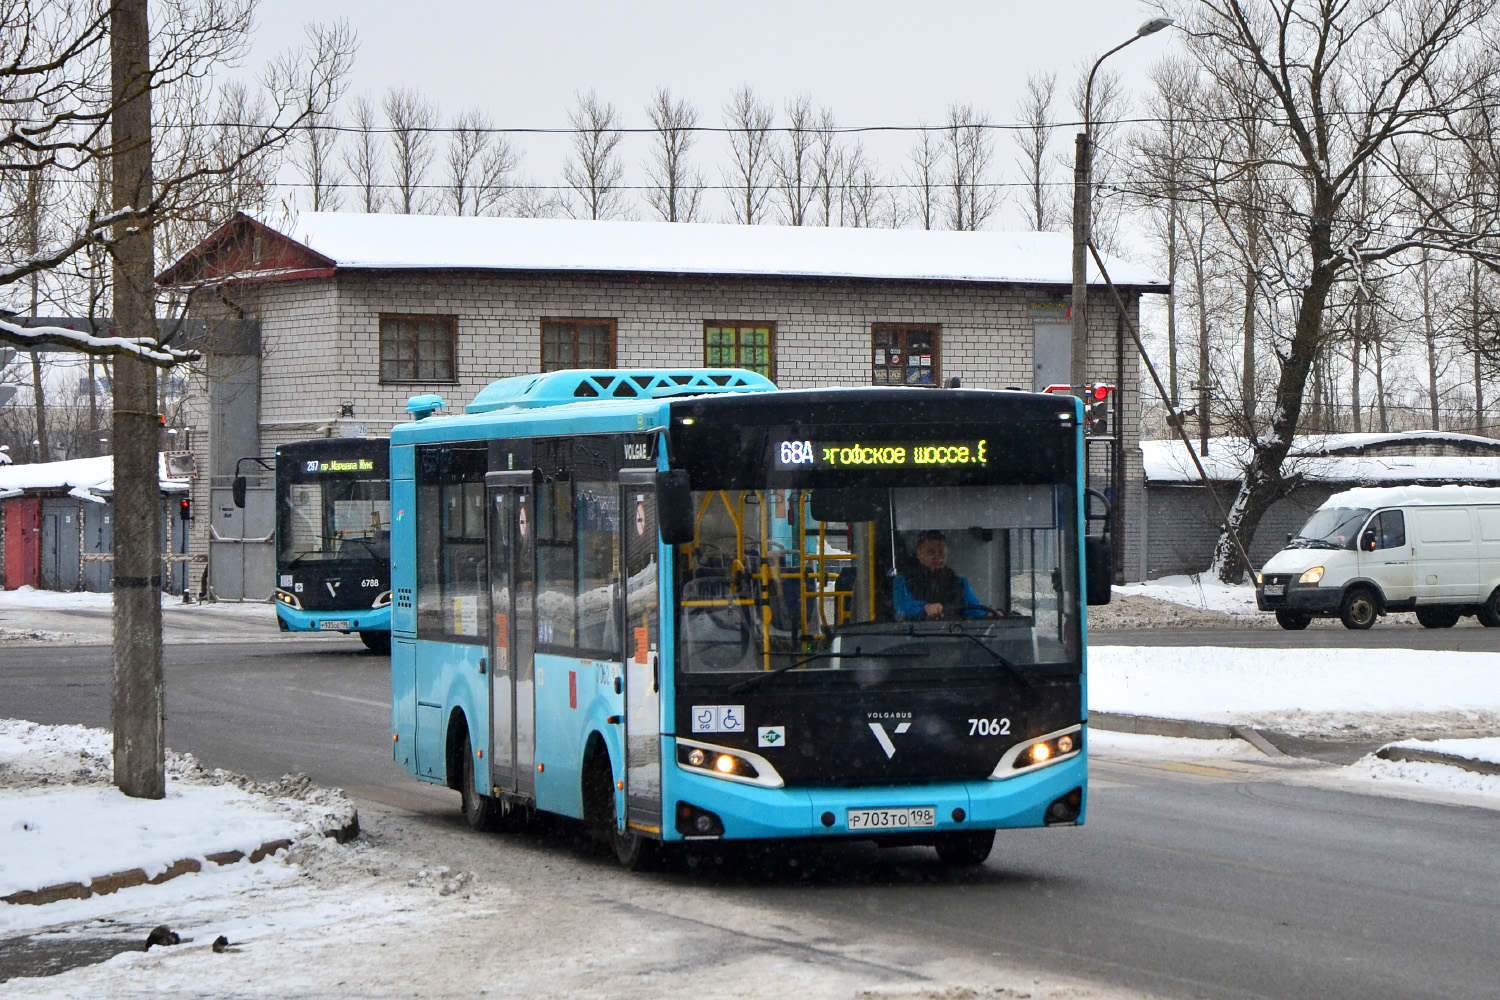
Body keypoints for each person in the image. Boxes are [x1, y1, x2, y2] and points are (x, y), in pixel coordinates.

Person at [893, 530, 983, 620]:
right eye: (931, 552)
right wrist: (925, 608)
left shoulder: (960, 583)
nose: (937, 557)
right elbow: (902, 608)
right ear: (919, 554)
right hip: (915, 632)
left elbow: (975, 609)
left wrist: (990, 614)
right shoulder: (903, 580)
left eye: (941, 552)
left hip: (957, 633)